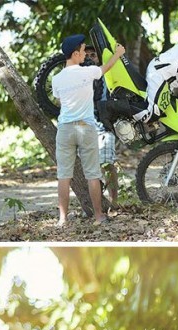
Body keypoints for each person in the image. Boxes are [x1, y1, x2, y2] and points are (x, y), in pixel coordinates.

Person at [52, 34, 125, 226]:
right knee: (93, 174)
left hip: (65, 130)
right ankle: (99, 216)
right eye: (83, 50)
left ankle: (62, 219)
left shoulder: (56, 79)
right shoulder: (88, 72)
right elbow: (106, 67)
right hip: (86, 127)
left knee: (63, 176)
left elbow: (60, 102)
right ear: (75, 54)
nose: (85, 53)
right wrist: (118, 53)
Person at [85, 47, 119, 207]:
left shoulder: (107, 74)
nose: (90, 58)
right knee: (92, 167)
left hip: (105, 125)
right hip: (86, 125)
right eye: (87, 55)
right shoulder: (82, 76)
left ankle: (114, 201)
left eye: (93, 55)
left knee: (107, 163)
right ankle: (97, 204)